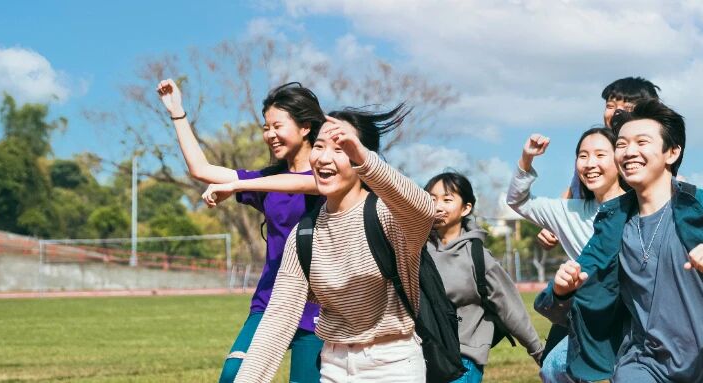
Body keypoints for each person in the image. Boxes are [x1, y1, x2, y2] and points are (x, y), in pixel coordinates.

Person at [536, 99, 703, 382]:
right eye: (622, 144)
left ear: (672, 153)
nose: (629, 152)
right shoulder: (614, 221)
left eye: (641, 142)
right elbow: (571, 288)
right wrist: (563, 290)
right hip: (643, 361)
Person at [234, 104, 436, 383]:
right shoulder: (304, 234)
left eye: (340, 149)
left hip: (393, 364)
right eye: (319, 146)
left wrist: (366, 160)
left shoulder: (388, 217)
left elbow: (424, 209)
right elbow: (278, 318)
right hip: (333, 366)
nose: (324, 158)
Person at [156, 80, 324, 383]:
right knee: (234, 376)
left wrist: (238, 184)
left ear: (305, 127)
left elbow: (308, 183)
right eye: (266, 127)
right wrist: (178, 113)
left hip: (319, 304)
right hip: (271, 299)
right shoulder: (267, 181)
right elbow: (201, 169)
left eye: (278, 126)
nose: (269, 135)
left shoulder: (331, 175)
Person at [506, 128, 627, 383]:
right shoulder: (568, 211)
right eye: (583, 156)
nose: (590, 164)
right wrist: (527, 159)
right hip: (588, 316)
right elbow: (518, 201)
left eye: (599, 155)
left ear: (619, 159)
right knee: (553, 367)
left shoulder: (639, 205)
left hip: (630, 317)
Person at [425, 172, 544, 382]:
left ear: (466, 208)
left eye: (447, 199)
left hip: (463, 360)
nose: (438, 206)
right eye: (431, 199)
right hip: (423, 357)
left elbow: (510, 307)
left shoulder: (478, 258)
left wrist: (537, 350)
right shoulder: (416, 249)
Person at [538, 77, 661, 249]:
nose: (616, 113)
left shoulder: (648, 156)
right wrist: (553, 225)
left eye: (626, 108)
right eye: (610, 106)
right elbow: (573, 192)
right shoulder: (592, 156)